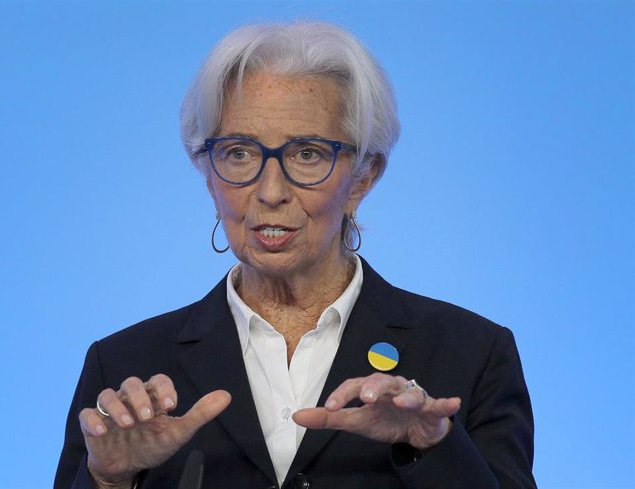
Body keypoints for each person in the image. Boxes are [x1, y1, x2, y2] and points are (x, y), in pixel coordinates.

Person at [55, 21, 536, 489]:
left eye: (307, 153)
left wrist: (433, 447)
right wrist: (108, 479)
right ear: (208, 174)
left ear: (363, 178)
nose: (270, 191)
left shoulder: (471, 354)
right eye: (239, 152)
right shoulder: (122, 364)